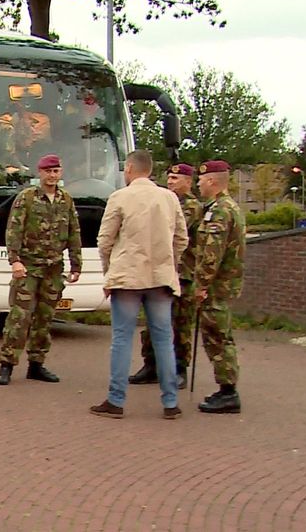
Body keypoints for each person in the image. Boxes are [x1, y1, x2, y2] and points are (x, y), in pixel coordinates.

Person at [89, 150, 188, 420]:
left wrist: (110, 272)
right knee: (164, 339)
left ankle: (116, 400)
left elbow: (105, 240)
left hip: (128, 278)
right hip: (160, 278)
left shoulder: (120, 197)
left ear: (130, 168)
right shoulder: (169, 198)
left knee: (122, 339)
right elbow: (181, 238)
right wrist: (170, 264)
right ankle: (170, 402)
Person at [0, 154, 82, 385]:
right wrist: (14, 260)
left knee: (45, 317)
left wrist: (76, 263)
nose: (52, 176)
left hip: (53, 268)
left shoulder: (66, 200)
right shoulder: (27, 198)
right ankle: (6, 364)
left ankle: (36, 364)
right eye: (48, 171)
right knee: (19, 317)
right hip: (29, 267)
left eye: (56, 171)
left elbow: (74, 232)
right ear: (40, 173)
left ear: (60, 173)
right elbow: (14, 230)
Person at [129, 163, 203, 388]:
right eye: (169, 178)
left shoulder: (191, 206)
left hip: (182, 273)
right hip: (159, 271)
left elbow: (170, 229)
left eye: (176, 178)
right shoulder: (163, 200)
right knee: (153, 321)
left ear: (188, 182)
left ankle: (179, 367)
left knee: (180, 323)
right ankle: (151, 365)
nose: (170, 182)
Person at [193, 160, 246, 414]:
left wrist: (201, 285)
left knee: (218, 337)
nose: (198, 184)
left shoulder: (220, 212)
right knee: (219, 336)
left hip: (217, 287)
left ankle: (228, 392)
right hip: (223, 284)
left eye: (201, 181)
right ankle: (226, 388)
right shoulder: (226, 207)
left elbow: (212, 254)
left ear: (212, 181)